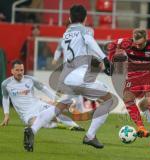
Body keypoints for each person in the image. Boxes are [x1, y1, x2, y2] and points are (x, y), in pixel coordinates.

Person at [26, 4, 115, 150]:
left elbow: (82, 52)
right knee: (109, 100)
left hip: (66, 76)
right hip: (79, 76)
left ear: (69, 18)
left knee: (61, 106)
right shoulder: (84, 31)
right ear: (85, 18)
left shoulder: (66, 33)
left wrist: (100, 65)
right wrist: (105, 59)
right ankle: (90, 136)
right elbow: (90, 42)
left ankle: (33, 129)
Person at [1, 60, 85, 152]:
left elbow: (44, 89)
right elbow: (5, 98)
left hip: (38, 105)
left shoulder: (30, 79)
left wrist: (57, 100)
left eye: (22, 70)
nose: (20, 72)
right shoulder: (6, 84)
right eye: (17, 70)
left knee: (57, 112)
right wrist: (6, 115)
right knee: (37, 123)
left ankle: (76, 126)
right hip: (26, 113)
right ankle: (61, 125)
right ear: (12, 71)